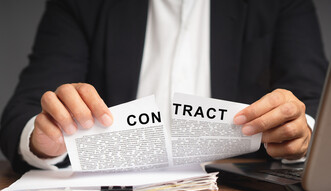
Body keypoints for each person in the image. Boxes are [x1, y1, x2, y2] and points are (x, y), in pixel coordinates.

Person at [0, 0, 328, 173]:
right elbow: (26, 108)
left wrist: (301, 132)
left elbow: (312, 100)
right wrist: (45, 139)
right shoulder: (82, 4)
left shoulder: (283, 2)